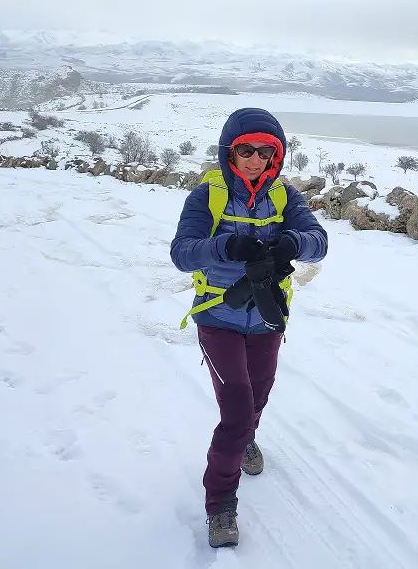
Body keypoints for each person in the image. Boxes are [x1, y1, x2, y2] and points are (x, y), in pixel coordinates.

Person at [170, 107, 328, 548]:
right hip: (218, 315)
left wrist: (293, 242)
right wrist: (226, 246)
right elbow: (183, 252)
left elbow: (320, 242)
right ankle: (221, 503)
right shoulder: (207, 197)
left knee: (258, 394)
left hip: (267, 316)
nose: (256, 159)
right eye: (246, 150)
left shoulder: (286, 197)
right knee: (237, 408)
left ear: (277, 155)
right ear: (230, 152)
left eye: (266, 151)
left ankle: (246, 440)